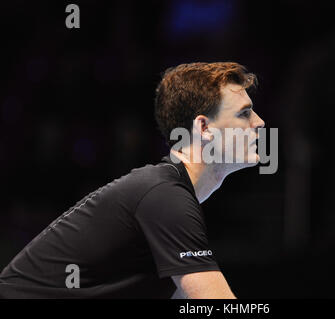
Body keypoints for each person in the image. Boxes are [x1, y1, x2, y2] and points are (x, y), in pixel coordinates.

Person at [0, 62, 265, 299]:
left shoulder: (169, 197)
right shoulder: (165, 196)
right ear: (204, 128)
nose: (260, 123)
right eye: (244, 113)